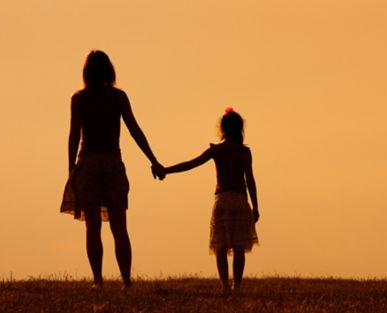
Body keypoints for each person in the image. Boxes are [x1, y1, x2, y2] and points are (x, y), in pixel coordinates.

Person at [60, 50, 164, 289]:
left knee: (93, 227)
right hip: (112, 164)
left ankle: (98, 281)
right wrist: (153, 159)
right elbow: (135, 131)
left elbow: (74, 135)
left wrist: (71, 169)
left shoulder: (79, 99)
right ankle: (126, 281)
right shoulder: (118, 97)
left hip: (88, 165)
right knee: (119, 228)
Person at [155, 107, 259, 294]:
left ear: (223, 129)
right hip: (240, 200)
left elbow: (190, 164)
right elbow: (250, 180)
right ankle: (237, 286)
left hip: (222, 200)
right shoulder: (244, 152)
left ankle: (225, 286)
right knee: (239, 247)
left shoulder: (217, 150)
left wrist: (166, 170)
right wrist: (256, 206)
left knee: (221, 245)